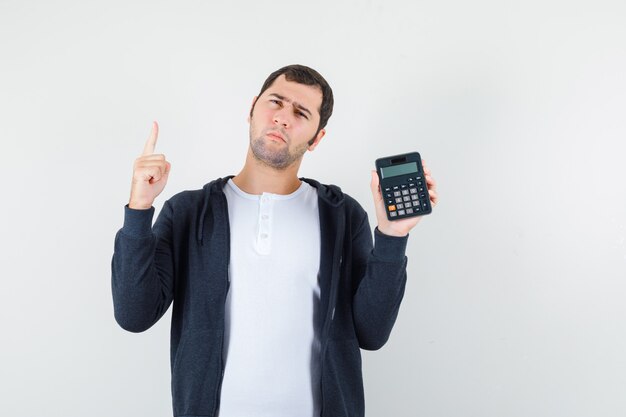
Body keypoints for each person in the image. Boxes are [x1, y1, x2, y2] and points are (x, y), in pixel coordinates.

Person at [111, 64, 439, 417]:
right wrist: (139, 209)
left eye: (301, 112)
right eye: (276, 102)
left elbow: (372, 334)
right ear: (252, 108)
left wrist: (392, 235)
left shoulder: (342, 216)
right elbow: (134, 314)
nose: (283, 117)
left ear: (317, 139)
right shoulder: (189, 211)